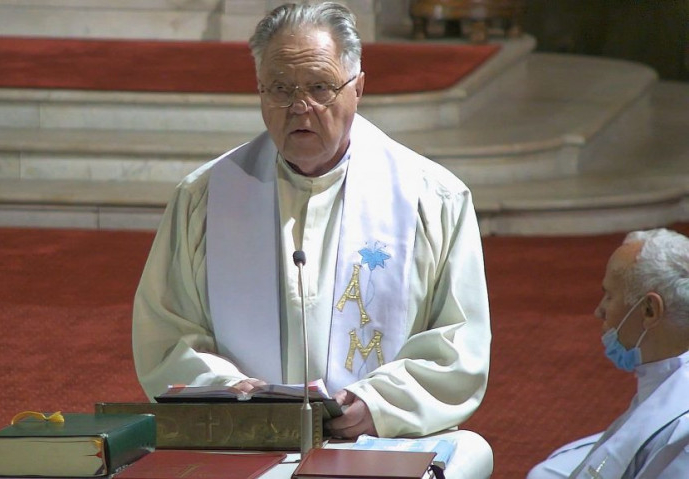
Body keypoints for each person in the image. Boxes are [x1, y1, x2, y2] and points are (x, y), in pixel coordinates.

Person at [132, 2, 492, 471]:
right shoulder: (206, 197)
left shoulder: (432, 197)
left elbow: (458, 344)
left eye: (320, 87)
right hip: (242, 441)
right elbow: (168, 333)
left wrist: (377, 404)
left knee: (471, 454)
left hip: (374, 439)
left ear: (357, 88)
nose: (300, 107)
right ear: (260, 91)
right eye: (281, 89)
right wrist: (230, 391)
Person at [527, 228, 689, 479]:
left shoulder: (680, 434)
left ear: (649, 310)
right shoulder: (664, 376)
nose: (599, 311)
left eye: (610, 296)